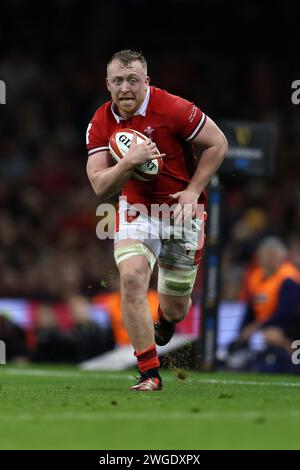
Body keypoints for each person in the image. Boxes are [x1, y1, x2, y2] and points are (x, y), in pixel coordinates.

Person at [86, 50, 228, 391]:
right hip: (137, 211)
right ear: (108, 84)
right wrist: (127, 163)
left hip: (182, 210)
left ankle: (165, 320)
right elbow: (99, 185)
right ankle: (150, 373)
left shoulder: (173, 108)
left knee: (177, 309)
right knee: (133, 279)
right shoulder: (100, 122)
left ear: (146, 82)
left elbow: (218, 143)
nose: (125, 88)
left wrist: (194, 191)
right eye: (117, 81)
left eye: (133, 80)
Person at [228, 237, 300, 366]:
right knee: (245, 339)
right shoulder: (255, 277)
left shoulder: (289, 279)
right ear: (260, 258)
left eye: (274, 256)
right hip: (264, 325)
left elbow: (287, 313)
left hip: (287, 327)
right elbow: (250, 309)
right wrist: (243, 331)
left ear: (282, 257)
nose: (270, 260)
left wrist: (258, 327)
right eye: (267, 256)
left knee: (265, 337)